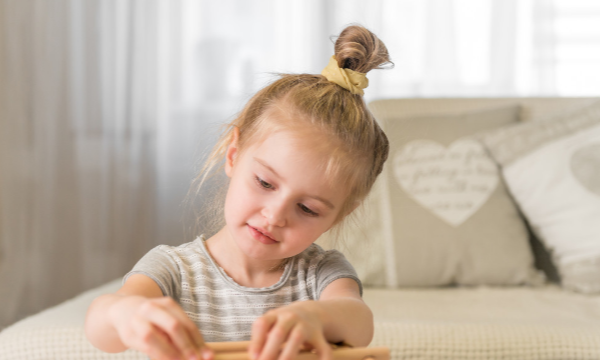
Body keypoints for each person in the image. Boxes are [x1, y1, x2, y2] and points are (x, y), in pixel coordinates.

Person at [85, 24, 392, 360]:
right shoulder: (173, 269)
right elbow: (102, 328)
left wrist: (314, 317)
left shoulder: (322, 274)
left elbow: (358, 322)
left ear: (340, 213)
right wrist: (126, 314)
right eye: (265, 183)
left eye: (307, 208)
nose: (274, 215)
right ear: (233, 155)